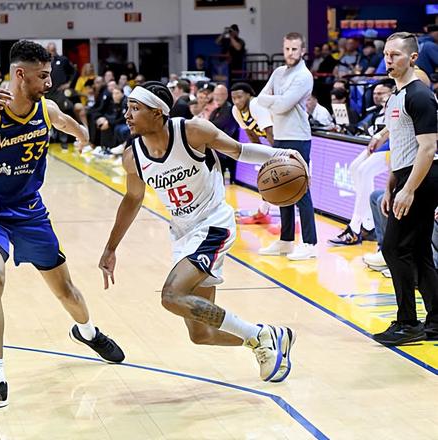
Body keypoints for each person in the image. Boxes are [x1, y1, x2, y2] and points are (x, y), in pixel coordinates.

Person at [0, 40, 125, 411]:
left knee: (66, 291)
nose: (49, 82)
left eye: (49, 74)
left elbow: (68, 123)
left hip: (31, 213)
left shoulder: (46, 108)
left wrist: (82, 134)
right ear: (20, 74)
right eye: (43, 76)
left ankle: (87, 332)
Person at [99, 81, 301, 383]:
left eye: (135, 108)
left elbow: (240, 151)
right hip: (183, 234)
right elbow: (132, 199)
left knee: (171, 295)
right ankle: (268, 336)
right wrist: (110, 248)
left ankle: (257, 335)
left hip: (213, 224)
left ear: (157, 113)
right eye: (127, 108)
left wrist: (283, 153)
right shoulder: (133, 157)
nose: (127, 115)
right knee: (202, 334)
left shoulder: (192, 131)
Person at [371, 32, 438, 345]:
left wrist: (409, 189)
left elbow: (428, 148)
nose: (388, 60)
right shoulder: (395, 96)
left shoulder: (420, 95)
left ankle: (408, 322)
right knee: (419, 251)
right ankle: (435, 320)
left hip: (422, 179)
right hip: (406, 176)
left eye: (395, 55)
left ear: (412, 58)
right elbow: (400, 145)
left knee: (394, 248)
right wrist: (391, 185)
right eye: (386, 54)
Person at [257, 32, 318, 260]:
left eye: (294, 49)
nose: (290, 53)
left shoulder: (304, 76)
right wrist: (277, 101)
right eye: (287, 49)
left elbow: (282, 106)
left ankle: (310, 243)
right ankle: (286, 240)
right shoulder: (278, 73)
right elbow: (260, 98)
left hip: (298, 137)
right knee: (282, 189)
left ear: (302, 51)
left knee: (300, 190)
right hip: (280, 136)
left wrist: (274, 101)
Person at [329, 82, 393, 246]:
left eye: (381, 93)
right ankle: (368, 222)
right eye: (375, 93)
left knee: (364, 171)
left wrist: (379, 137)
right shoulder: (375, 111)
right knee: (354, 167)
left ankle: (356, 227)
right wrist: (376, 136)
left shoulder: (405, 98)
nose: (377, 96)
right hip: (383, 140)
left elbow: (394, 125)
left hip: (396, 143)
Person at [230, 82, 274, 224]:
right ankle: (264, 211)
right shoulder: (236, 111)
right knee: (266, 177)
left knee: (284, 179)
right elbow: (251, 134)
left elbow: (271, 133)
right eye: (234, 98)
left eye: (240, 97)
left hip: (286, 137)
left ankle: (293, 221)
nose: (237, 101)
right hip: (274, 139)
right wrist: (262, 157)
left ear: (249, 95)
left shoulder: (256, 105)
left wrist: (276, 157)